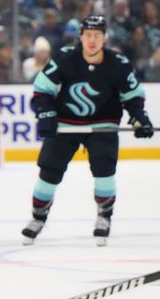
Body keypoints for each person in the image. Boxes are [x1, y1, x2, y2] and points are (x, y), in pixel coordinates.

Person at [21, 15, 153, 246]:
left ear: (104, 38)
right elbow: (42, 91)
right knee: (49, 172)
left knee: (104, 171)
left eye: (97, 36)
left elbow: (132, 97)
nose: (92, 40)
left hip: (103, 124)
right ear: (80, 37)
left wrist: (139, 117)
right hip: (65, 124)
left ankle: (104, 216)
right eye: (88, 35)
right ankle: (38, 217)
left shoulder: (118, 64)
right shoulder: (64, 58)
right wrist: (46, 113)